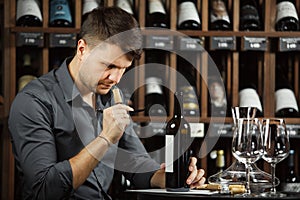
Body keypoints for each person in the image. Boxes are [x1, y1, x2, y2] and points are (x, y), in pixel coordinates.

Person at [8, 7, 206, 200]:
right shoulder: (34, 102)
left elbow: (135, 164)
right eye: (109, 65)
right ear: (82, 49)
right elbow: (44, 190)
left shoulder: (111, 96)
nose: (116, 78)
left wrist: (173, 178)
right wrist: (105, 139)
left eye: (123, 69)